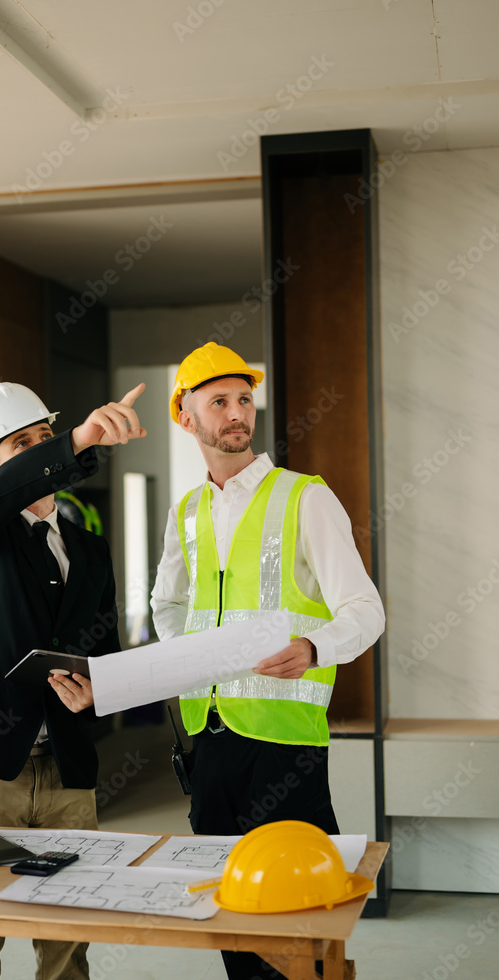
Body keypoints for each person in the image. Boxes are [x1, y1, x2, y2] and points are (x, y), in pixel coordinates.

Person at [150, 343, 385, 980]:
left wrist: (314, 649)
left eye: (244, 400)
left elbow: (366, 609)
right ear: (185, 416)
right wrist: (187, 657)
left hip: (284, 745)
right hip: (209, 741)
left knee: (301, 919)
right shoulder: (187, 512)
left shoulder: (304, 497)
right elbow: (167, 604)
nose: (236, 414)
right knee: (231, 914)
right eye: (219, 401)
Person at [0, 379, 145, 980]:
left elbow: (106, 649)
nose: (43, 453)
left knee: (70, 931)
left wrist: (102, 688)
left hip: (65, 763)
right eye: (24, 445)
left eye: (47, 438)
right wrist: (77, 440)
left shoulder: (90, 551)